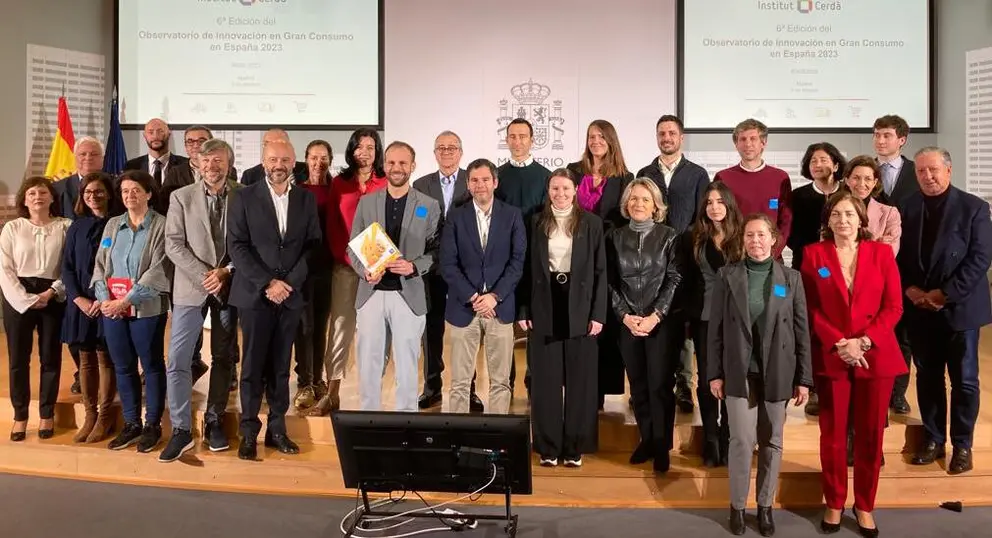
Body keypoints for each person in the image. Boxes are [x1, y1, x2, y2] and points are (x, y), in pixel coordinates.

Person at [801, 192, 905, 537]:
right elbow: (809, 308)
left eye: (849, 214)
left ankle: (864, 505)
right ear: (827, 220)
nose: (842, 220)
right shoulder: (814, 255)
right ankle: (834, 501)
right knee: (832, 435)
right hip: (833, 354)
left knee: (870, 435)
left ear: (862, 220)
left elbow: (893, 307)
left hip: (875, 354)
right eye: (836, 214)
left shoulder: (881, 253)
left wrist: (863, 340)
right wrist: (839, 342)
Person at [708, 213, 812, 537]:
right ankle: (737, 507)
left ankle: (765, 506)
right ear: (743, 240)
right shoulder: (727, 276)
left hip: (778, 373)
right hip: (739, 373)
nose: (755, 241)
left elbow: (801, 331)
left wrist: (804, 378)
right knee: (740, 441)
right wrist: (714, 373)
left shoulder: (791, 279)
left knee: (772, 442)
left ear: (773, 239)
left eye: (761, 235)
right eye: (750, 236)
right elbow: (716, 331)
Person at [900, 147, 992, 475]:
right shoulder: (906, 208)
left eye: (934, 170)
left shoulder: (975, 208)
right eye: (922, 171)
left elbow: (980, 258)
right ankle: (934, 439)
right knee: (927, 377)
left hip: (960, 309)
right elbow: (897, 258)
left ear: (949, 171)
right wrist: (910, 290)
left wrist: (945, 294)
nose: (928, 176)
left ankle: (963, 445)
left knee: (965, 381)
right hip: (920, 309)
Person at [227, 140, 321, 461]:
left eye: (284, 159)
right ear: (263, 161)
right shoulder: (243, 196)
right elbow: (237, 247)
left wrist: (288, 283)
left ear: (294, 162)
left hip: (290, 297)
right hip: (255, 295)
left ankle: (277, 430)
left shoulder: (306, 199)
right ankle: (249, 432)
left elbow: (312, 245)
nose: (278, 164)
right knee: (252, 367)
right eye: (272, 159)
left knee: (281, 367)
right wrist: (268, 282)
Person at [517, 168, 606, 467]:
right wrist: (523, 310)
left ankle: (574, 447)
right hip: (544, 303)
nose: (560, 194)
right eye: (555, 189)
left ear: (576, 190)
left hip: (580, 304)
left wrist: (598, 314)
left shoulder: (592, 224)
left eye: (566, 189)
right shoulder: (535, 221)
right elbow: (527, 270)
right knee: (545, 380)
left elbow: (600, 272)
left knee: (580, 380)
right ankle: (548, 446)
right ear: (548, 190)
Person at [159, 138, 241, 462]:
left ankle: (214, 419)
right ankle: (181, 430)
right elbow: (173, 244)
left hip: (229, 287)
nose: (212, 167)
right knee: (178, 358)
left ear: (228, 163)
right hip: (191, 288)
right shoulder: (181, 197)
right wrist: (207, 274)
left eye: (218, 161)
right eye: (206, 162)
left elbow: (248, 242)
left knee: (223, 356)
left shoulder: (244, 196)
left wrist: (226, 272)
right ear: (198, 164)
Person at [349, 141, 440, 411]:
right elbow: (353, 246)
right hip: (371, 294)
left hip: (408, 294)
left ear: (413, 166)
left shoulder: (428, 205)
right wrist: (364, 271)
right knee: (369, 363)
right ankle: (368, 421)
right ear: (384, 165)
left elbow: (437, 249)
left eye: (402, 163)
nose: (396, 168)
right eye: (391, 162)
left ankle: (406, 422)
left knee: (408, 365)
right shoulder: (366, 203)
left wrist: (414, 266)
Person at [92, 170, 172, 453]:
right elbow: (101, 265)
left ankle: (152, 425)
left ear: (149, 193)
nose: (130, 195)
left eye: (136, 190)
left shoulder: (162, 226)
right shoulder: (113, 225)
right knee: (123, 367)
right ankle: (131, 424)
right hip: (112, 311)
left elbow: (160, 269)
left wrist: (126, 300)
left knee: (151, 366)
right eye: (125, 191)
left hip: (146, 308)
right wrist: (104, 300)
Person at [606, 178, 682, 473]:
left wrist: (656, 315)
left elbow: (674, 278)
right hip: (628, 323)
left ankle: (662, 446)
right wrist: (625, 316)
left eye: (645, 199)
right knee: (637, 386)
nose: (638, 204)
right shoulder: (615, 237)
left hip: (659, 324)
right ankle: (647, 439)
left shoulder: (669, 236)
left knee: (660, 385)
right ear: (626, 204)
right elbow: (610, 282)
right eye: (634, 199)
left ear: (656, 206)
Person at [636, 114, 710, 414]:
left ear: (681, 138)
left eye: (671, 133)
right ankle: (654, 382)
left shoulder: (697, 174)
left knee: (680, 322)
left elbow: (702, 217)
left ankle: (683, 384)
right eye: (661, 133)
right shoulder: (645, 171)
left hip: (683, 258)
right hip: (650, 261)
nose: (666, 138)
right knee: (653, 317)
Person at [441, 158, 526, 415]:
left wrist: (494, 297)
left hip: (500, 309)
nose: (480, 185)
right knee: (459, 383)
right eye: (475, 180)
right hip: (463, 308)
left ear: (495, 182)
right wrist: (475, 296)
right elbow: (448, 264)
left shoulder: (512, 215)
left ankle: (497, 439)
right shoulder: (455, 217)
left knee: (500, 382)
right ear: (468, 184)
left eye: (485, 180)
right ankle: (457, 438)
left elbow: (517, 261)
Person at [314, 128, 387, 415]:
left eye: (371, 147)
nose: (365, 152)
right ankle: (332, 393)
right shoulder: (339, 184)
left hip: (377, 271)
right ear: (351, 150)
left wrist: (376, 265)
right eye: (360, 147)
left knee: (375, 331)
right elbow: (333, 226)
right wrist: (348, 259)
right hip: (345, 266)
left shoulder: (384, 182)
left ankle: (372, 394)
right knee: (341, 328)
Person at [411, 131, 482, 411]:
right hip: (432, 269)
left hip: (466, 269)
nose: (447, 152)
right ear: (434, 153)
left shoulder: (473, 180)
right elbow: (418, 225)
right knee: (432, 329)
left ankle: (470, 389)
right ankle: (432, 386)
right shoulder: (421, 184)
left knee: (466, 330)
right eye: (441, 148)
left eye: (452, 147)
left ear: (461, 152)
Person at [566, 120, 634, 410]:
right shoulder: (573, 171)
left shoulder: (624, 176)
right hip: (574, 255)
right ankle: (579, 388)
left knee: (603, 322)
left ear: (611, 141)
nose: (596, 141)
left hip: (608, 255)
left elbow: (624, 218)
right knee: (578, 319)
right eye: (592, 136)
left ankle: (601, 392)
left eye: (601, 136)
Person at [677, 181, 744, 467]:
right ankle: (711, 440)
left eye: (719, 202)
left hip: (737, 320)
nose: (714, 207)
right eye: (709, 202)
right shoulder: (693, 237)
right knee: (707, 382)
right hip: (704, 318)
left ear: (729, 205)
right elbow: (686, 281)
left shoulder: (743, 236)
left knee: (732, 381)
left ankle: (729, 438)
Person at [2, 177, 71, 442]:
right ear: (24, 199)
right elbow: (5, 268)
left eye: (43, 192)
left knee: (50, 358)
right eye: (32, 193)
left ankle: (46, 413)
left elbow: (69, 265)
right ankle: (20, 416)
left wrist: (52, 292)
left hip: (52, 293)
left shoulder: (65, 226)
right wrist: (26, 299)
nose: (37, 197)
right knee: (18, 360)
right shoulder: (13, 227)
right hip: (17, 294)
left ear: (53, 198)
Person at [786, 142, 846, 417]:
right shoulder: (798, 197)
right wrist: (817, 250)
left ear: (835, 164)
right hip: (809, 269)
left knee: (840, 326)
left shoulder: (847, 195)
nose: (817, 165)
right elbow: (792, 236)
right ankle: (814, 387)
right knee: (811, 328)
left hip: (844, 271)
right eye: (812, 161)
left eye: (823, 160)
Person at [62, 172, 119, 443]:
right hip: (82, 305)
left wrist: (102, 299)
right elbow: (67, 267)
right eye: (87, 192)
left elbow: (121, 267)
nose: (93, 196)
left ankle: (106, 416)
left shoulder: (120, 223)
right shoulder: (77, 226)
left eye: (98, 191)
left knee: (106, 358)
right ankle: (90, 414)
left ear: (109, 193)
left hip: (108, 301)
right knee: (85, 360)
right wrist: (79, 299)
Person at [495, 117, 551, 395]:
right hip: (503, 260)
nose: (517, 142)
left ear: (532, 140)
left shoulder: (545, 176)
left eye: (522, 136)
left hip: (534, 259)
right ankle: (506, 380)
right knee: (505, 322)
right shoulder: (497, 175)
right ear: (507, 140)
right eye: (512, 136)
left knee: (534, 321)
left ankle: (534, 379)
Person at [873, 114, 919, 416]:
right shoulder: (864, 172)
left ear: (901, 139)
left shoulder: (919, 172)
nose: (880, 140)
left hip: (907, 266)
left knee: (902, 335)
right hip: (871, 268)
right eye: (877, 134)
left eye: (887, 135)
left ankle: (898, 393)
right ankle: (874, 387)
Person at [53, 136, 104, 394]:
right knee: (76, 334)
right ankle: (81, 373)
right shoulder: (59, 188)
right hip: (70, 266)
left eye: (93, 154)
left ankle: (106, 379)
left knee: (104, 338)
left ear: (102, 158)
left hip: (106, 273)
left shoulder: (113, 186)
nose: (87, 158)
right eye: (82, 154)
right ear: (75, 157)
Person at [292, 140, 335, 413]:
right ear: (305, 160)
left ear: (330, 160)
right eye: (313, 157)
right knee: (303, 327)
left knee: (320, 327)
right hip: (302, 268)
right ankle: (304, 381)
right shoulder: (297, 191)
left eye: (323, 157)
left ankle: (318, 379)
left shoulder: (336, 190)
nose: (318, 162)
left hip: (329, 266)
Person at [713, 119, 792, 259]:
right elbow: (718, 218)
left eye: (753, 139)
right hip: (734, 257)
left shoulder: (780, 178)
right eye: (742, 139)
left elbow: (786, 220)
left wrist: (773, 252)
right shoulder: (723, 177)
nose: (747, 144)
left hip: (771, 257)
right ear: (736, 144)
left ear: (763, 143)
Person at [160, 125, 240, 213]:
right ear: (185, 146)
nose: (195, 145)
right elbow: (165, 203)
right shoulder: (175, 172)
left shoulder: (225, 170)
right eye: (190, 141)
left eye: (201, 141)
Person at [843, 156, 902, 254]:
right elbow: (823, 258)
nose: (862, 184)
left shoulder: (890, 213)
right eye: (856, 178)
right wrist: (876, 244)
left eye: (868, 179)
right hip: (835, 269)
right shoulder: (832, 209)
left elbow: (889, 255)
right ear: (847, 180)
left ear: (874, 182)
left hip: (874, 270)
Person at [123, 118, 189, 192]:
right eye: (151, 132)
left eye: (160, 131)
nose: (155, 136)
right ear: (145, 136)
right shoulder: (131, 167)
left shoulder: (185, 164)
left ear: (169, 134)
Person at [239, 128, 308, 185]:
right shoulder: (250, 176)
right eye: (268, 145)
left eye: (280, 144)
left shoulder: (307, 170)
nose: (275, 149)